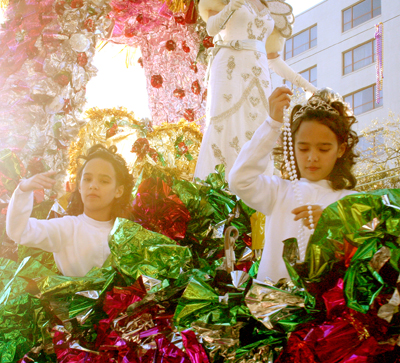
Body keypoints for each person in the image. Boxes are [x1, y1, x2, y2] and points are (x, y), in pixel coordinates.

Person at [229, 87, 359, 282]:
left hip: (324, 308)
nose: (312, 157)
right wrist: (272, 124)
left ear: (340, 150)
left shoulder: (352, 202)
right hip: (273, 306)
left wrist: (332, 225)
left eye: (323, 149)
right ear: (292, 148)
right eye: (303, 148)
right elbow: (239, 180)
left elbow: (367, 257)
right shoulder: (278, 191)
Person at [194, 0, 318, 180]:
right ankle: (218, 188)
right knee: (224, 123)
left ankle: (254, 194)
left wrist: (307, 86)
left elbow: (273, 59)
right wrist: (231, 6)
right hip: (229, 68)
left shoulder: (272, 7)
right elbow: (212, 29)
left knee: (259, 126)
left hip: (259, 74)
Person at [6, 144, 134, 277]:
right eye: (87, 179)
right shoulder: (67, 228)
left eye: (104, 181)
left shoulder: (127, 233)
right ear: (79, 186)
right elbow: (19, 232)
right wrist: (23, 189)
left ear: (119, 190)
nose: (93, 186)